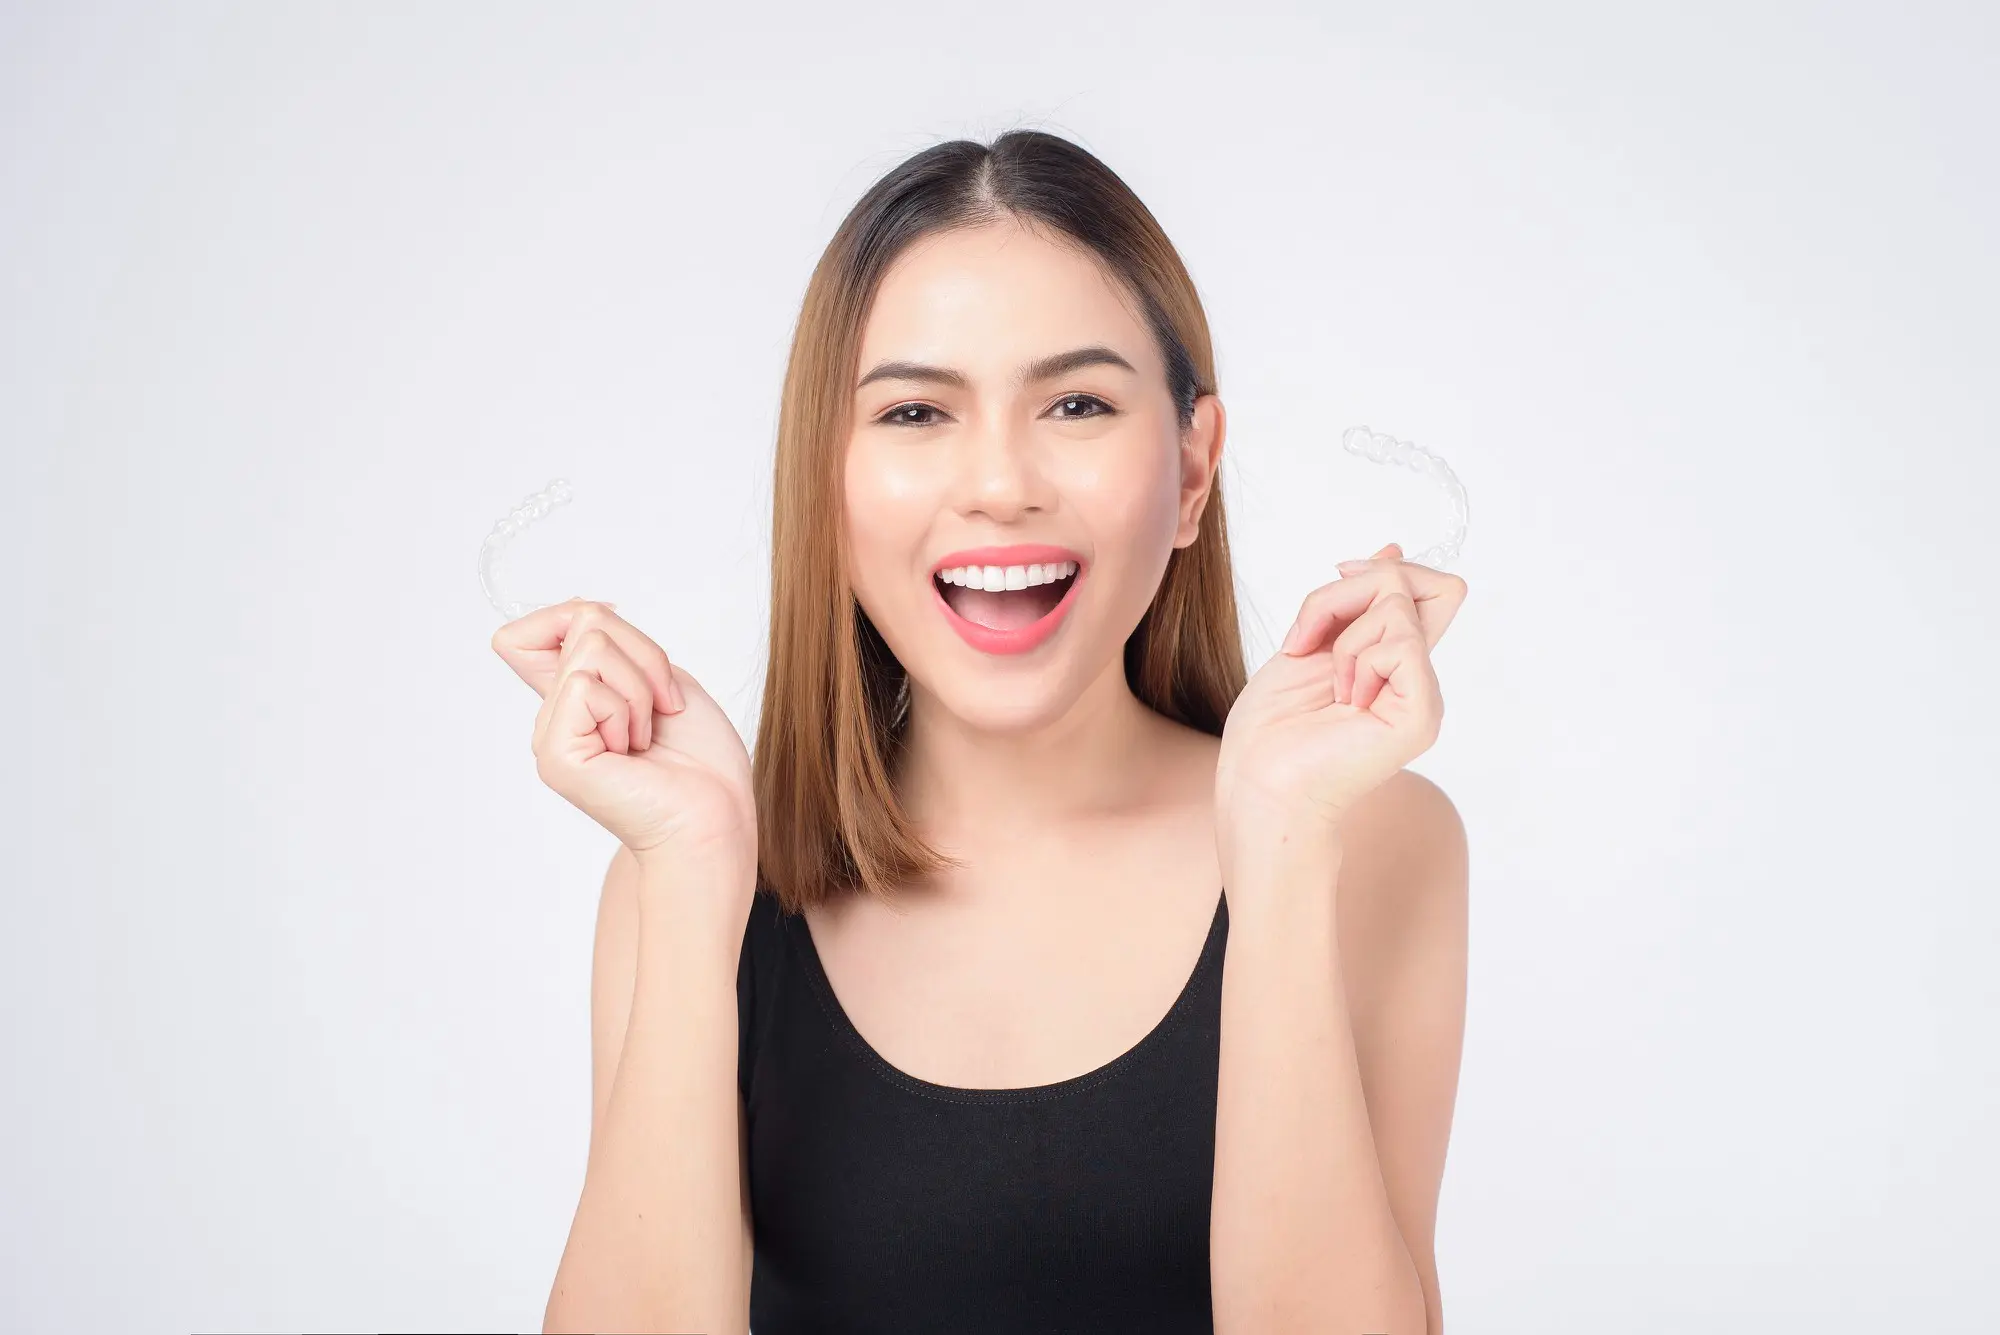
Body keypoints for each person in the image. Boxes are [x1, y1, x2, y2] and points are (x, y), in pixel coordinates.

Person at [493, 129, 1470, 1335]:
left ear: (1193, 470)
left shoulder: (1370, 839)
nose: (998, 483)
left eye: (1075, 402)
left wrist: (1275, 851)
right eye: (913, 412)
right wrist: (694, 882)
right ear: (826, 480)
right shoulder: (681, 883)